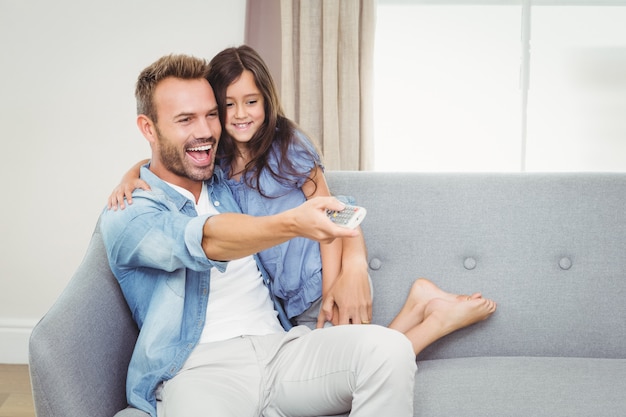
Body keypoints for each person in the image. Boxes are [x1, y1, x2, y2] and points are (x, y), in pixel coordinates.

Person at [108, 45, 497, 356]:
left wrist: (341, 281)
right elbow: (167, 157)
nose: (240, 114)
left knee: (356, 367)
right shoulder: (218, 162)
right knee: (353, 365)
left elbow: (332, 213)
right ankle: (420, 303)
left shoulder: (287, 146)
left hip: (320, 279)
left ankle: (434, 321)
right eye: (227, 105)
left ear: (267, 100)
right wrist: (131, 174)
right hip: (287, 295)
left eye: (251, 101)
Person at [100, 53, 419, 417]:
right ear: (149, 129)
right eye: (185, 119)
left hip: (280, 349)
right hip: (201, 371)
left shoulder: (224, 176)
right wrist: (293, 223)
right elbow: (206, 239)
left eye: (210, 115)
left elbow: (333, 204)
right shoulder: (131, 214)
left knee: (388, 350)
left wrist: (355, 263)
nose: (204, 131)